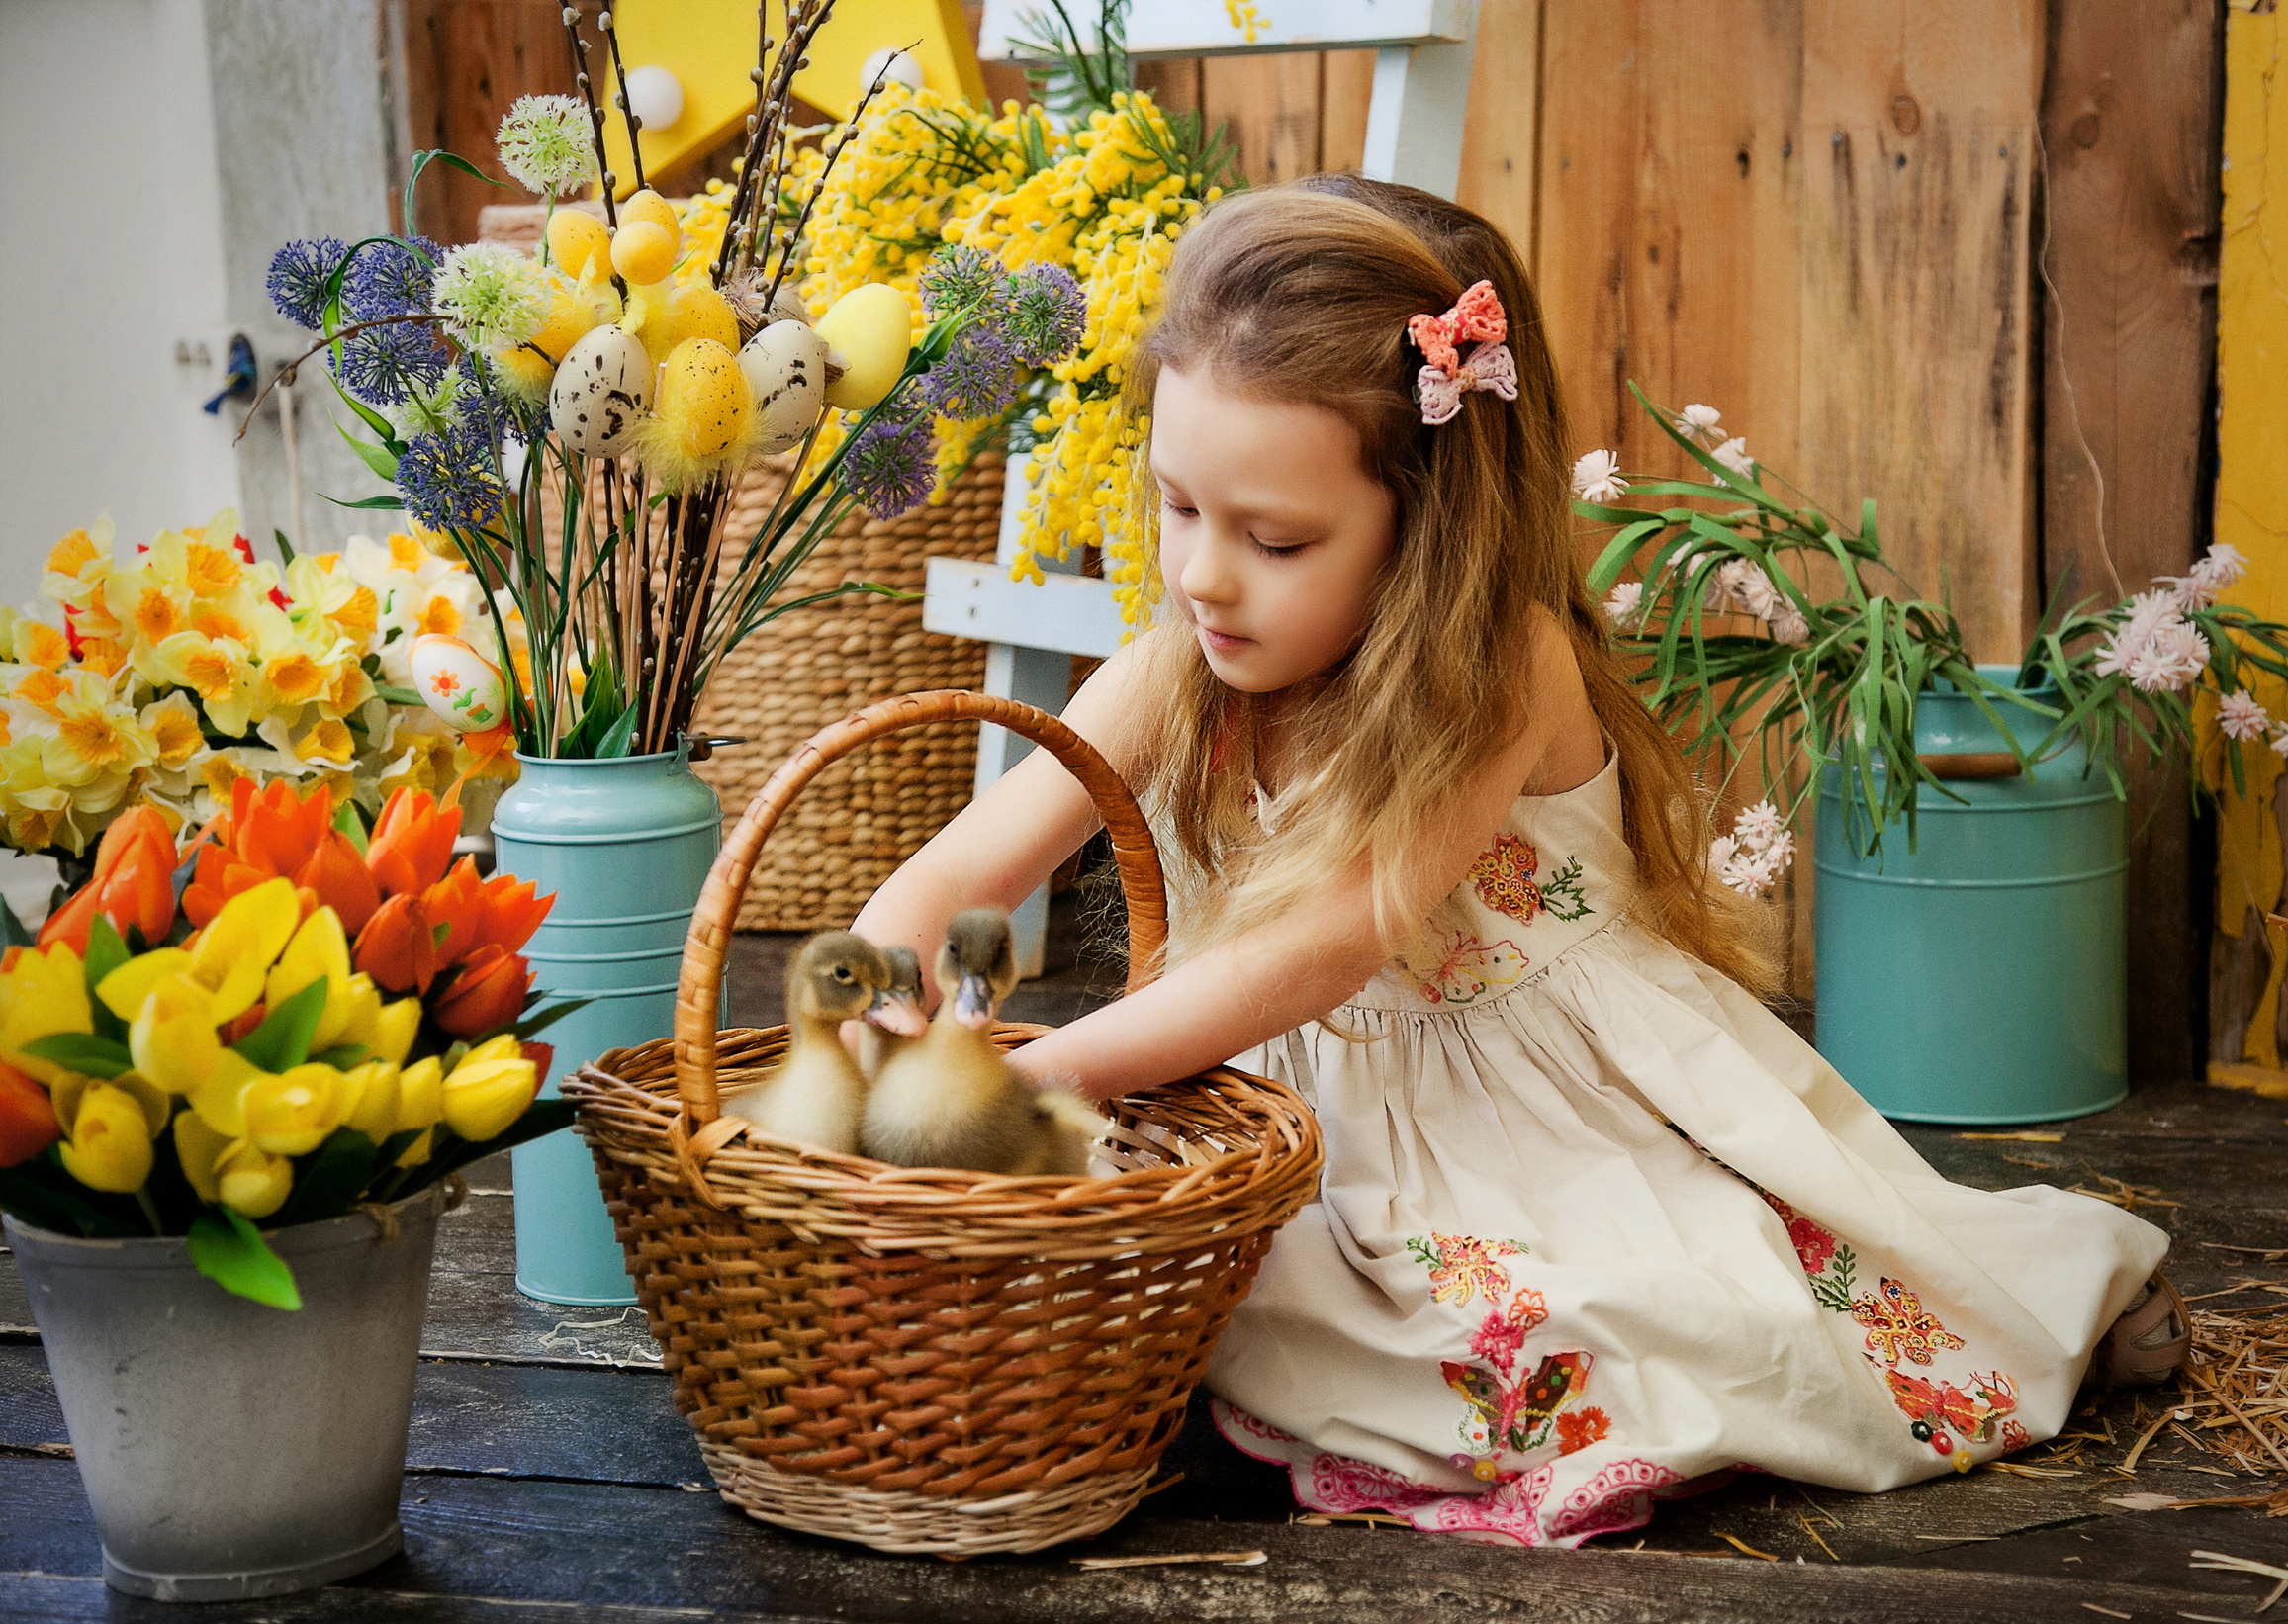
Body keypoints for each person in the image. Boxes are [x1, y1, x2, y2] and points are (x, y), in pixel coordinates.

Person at [854, 175, 2183, 1548]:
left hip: (1535, 1114)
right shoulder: (1173, 666)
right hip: (1285, 1109)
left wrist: (1050, 1073)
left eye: (1276, 539)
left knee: (1635, 1325)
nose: (1204, 577)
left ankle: (2045, 1297)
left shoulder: (1495, 673)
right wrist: (893, 1009)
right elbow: (959, 868)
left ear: (1430, 521)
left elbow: (1329, 945)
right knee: (1170, 1280)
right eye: (1181, 507)